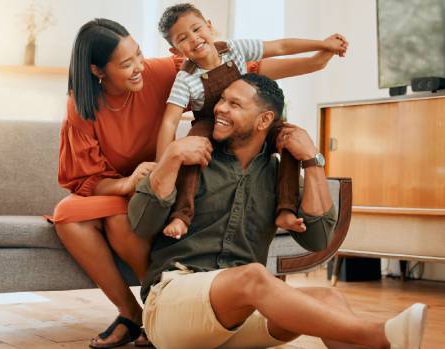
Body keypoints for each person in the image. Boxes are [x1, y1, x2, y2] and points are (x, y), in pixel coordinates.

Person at [49, 17, 342, 349]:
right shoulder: (83, 106)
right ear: (98, 71)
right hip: (138, 182)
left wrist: (319, 58)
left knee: (121, 220)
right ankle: (136, 310)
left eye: (139, 55)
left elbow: (237, 66)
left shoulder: (163, 71)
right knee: (70, 215)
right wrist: (150, 171)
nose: (138, 68)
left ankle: (153, 310)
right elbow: (86, 177)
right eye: (126, 64)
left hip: (167, 179)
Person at [128, 74, 428, 349]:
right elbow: (141, 224)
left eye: (234, 104)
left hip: (239, 316)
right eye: (222, 100)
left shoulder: (278, 177)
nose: (220, 108)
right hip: (173, 304)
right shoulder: (191, 157)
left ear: (264, 120)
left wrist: (312, 160)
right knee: (254, 276)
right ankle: (379, 336)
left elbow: (318, 239)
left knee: (328, 297)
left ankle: (379, 343)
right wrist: (171, 157)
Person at [155, 3, 348, 240]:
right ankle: (181, 215)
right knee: (191, 151)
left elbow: (280, 46)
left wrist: (322, 44)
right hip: (210, 121)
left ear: (209, 26)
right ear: (175, 51)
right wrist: (162, 164)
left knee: (290, 138)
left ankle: (285, 210)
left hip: (249, 114)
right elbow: (169, 122)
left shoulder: (235, 49)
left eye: (196, 29)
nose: (194, 39)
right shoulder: (185, 78)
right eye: (183, 38)